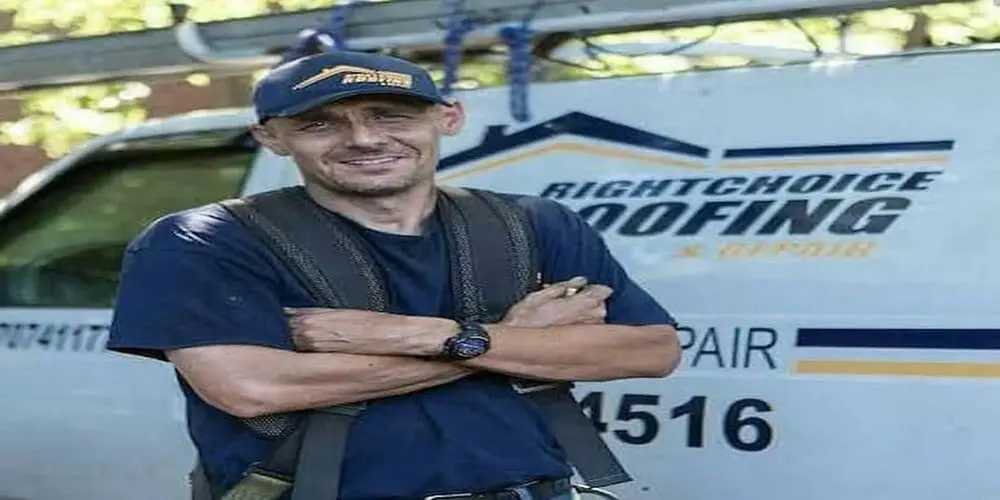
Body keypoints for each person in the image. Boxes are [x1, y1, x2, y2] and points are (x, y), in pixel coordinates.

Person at [107, 50, 682, 500]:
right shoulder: (204, 240)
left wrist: (435, 336)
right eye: (318, 124)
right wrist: (516, 340)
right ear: (271, 138)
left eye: (392, 115)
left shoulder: (533, 223)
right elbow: (252, 388)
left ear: (449, 118)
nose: (363, 138)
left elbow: (649, 351)